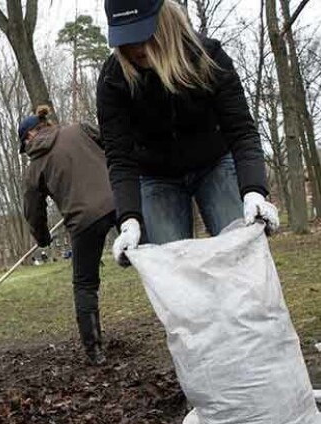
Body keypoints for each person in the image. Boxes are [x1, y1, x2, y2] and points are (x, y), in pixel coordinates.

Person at [97, 0, 279, 266]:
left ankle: (249, 308)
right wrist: (129, 220)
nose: (135, 47)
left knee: (240, 252)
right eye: (126, 38)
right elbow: (120, 159)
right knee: (172, 265)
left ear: (164, 22)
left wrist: (253, 191)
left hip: (214, 161)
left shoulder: (208, 57)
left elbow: (241, 131)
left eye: (142, 34)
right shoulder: (113, 80)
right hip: (155, 175)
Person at [19, 105, 116, 365]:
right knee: (150, 251)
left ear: (29, 137)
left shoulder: (34, 168)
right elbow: (113, 146)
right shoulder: (80, 129)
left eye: (24, 146)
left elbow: (33, 213)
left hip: (83, 221)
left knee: (85, 285)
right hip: (121, 201)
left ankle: (95, 351)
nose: (26, 152)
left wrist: (42, 239)